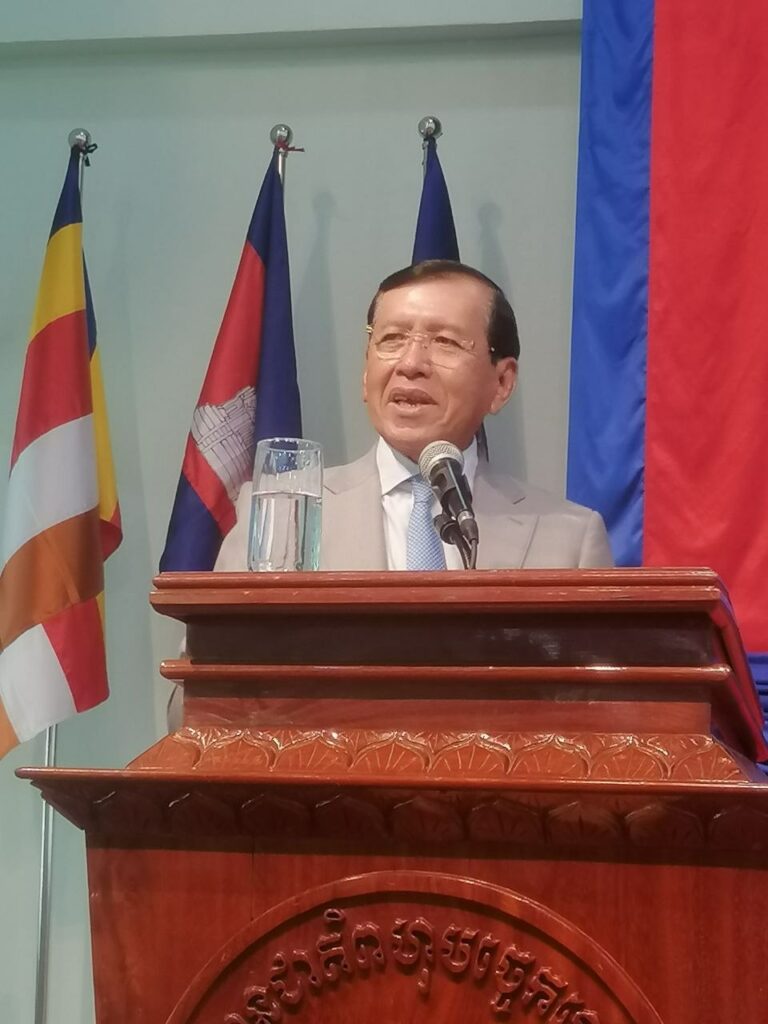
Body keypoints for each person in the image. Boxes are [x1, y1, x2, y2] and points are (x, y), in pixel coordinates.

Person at [215, 260, 613, 571]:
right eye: (391, 339)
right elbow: (215, 653)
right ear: (366, 373)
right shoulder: (278, 512)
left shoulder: (569, 538)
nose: (410, 364)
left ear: (502, 382)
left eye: (444, 341)